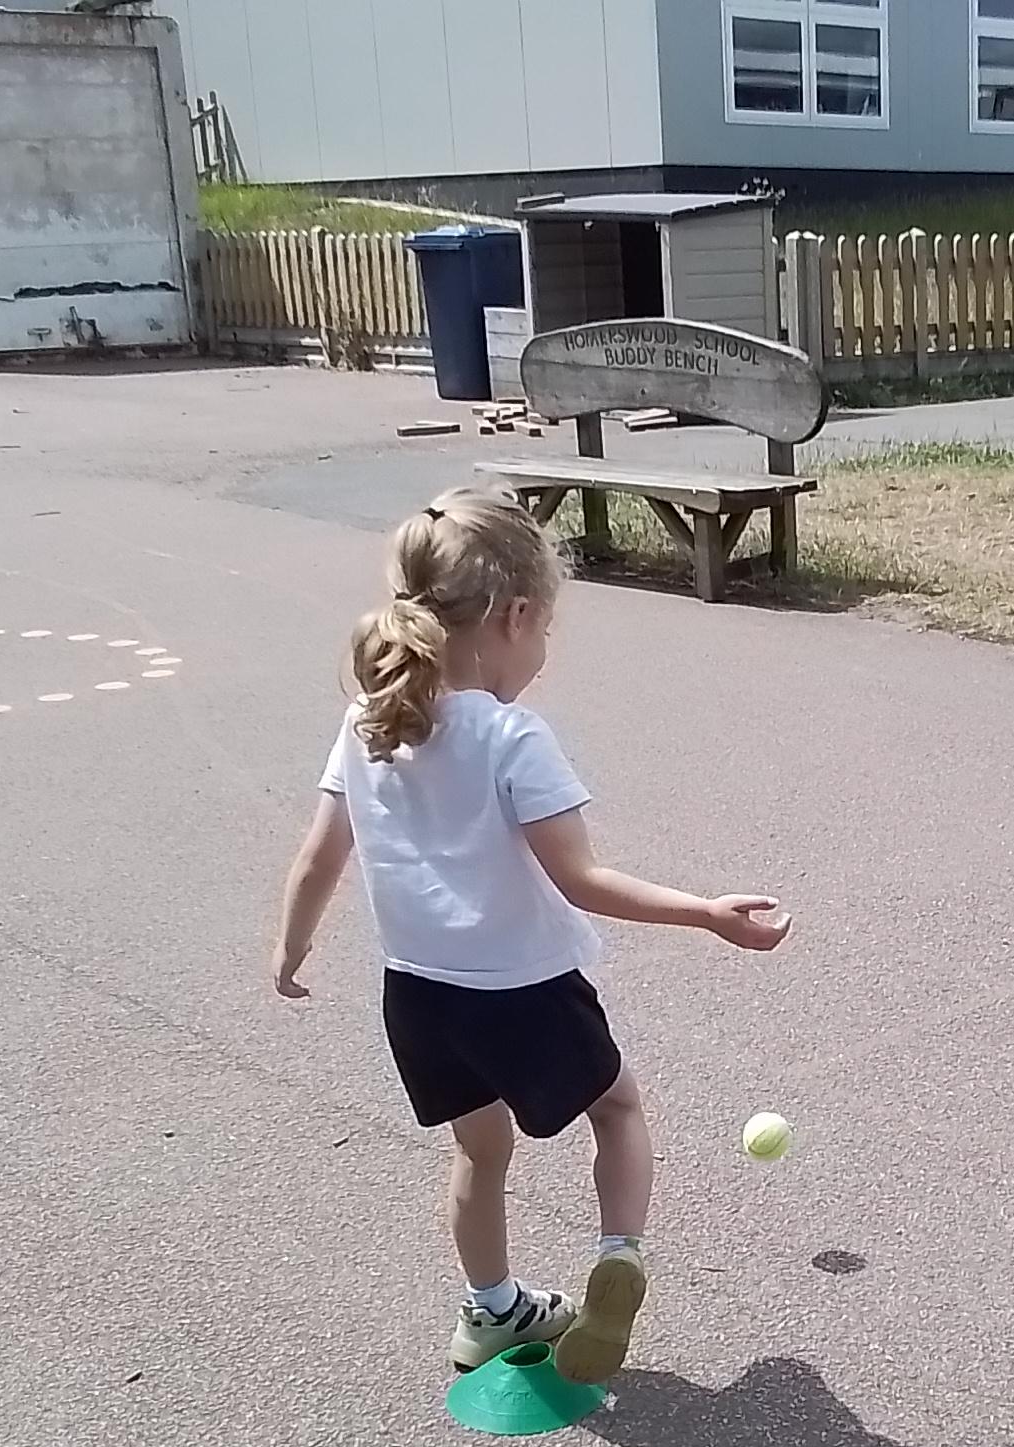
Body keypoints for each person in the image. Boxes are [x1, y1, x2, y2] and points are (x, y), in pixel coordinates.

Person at [274, 489, 790, 1385]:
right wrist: (705, 911)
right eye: (544, 629)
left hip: (418, 995)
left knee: (479, 1151)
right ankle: (619, 1256)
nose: (542, 653)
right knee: (616, 1110)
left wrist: (292, 947)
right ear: (513, 617)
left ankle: (491, 1310)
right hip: (523, 989)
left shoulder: (369, 724)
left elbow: (321, 856)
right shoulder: (512, 736)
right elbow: (581, 879)